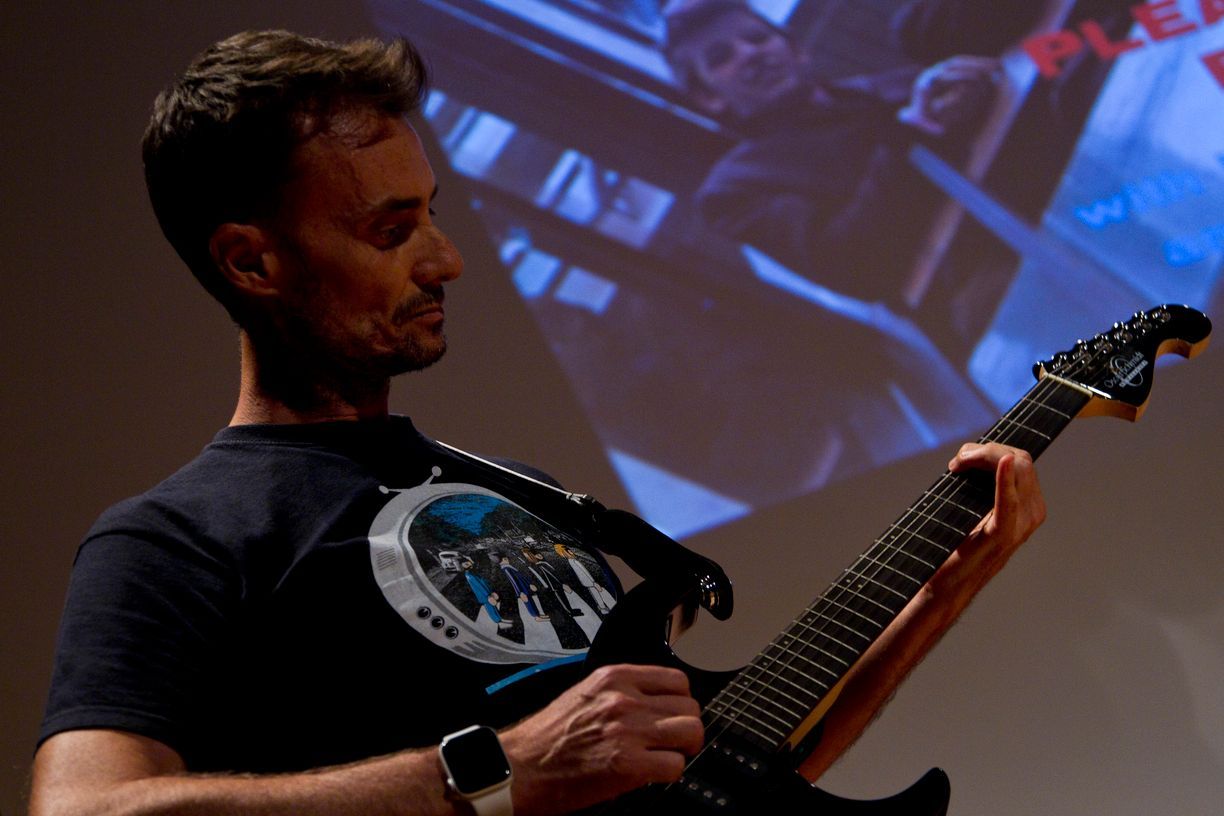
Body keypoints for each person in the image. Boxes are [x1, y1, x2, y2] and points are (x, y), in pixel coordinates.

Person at [30, 28, 1046, 816]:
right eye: (391, 230)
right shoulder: (170, 536)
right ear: (254, 262)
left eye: (431, 211)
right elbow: (87, 807)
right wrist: (499, 769)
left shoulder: (517, 489)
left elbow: (710, 780)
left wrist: (951, 585)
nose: (445, 260)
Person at [661, 0, 1002, 306]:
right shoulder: (737, 189)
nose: (749, 53)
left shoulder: (892, 86)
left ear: (795, 48)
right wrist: (916, 131)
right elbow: (855, 264)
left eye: (757, 37)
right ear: (707, 97)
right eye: (721, 57)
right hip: (983, 292)